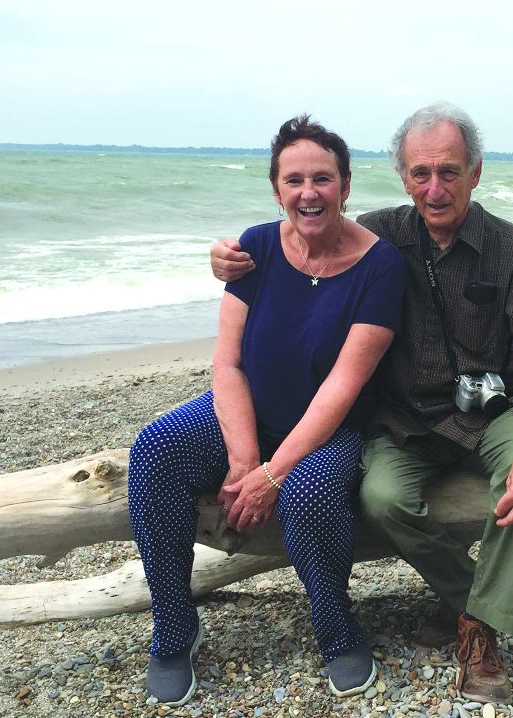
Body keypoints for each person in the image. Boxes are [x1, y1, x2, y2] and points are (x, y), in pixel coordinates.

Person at [211, 102, 513, 703]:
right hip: (405, 419)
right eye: (420, 173)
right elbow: (304, 229)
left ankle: (477, 631)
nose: (434, 188)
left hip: (494, 408)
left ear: (476, 173)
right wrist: (229, 259)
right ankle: (475, 597)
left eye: (449, 172)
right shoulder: (380, 237)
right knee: (382, 498)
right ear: (403, 177)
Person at [128, 115, 406, 706]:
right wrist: (244, 458)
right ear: (277, 189)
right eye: (295, 180)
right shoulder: (253, 249)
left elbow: (343, 386)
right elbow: (227, 365)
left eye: (323, 179)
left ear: (347, 185)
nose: (310, 193)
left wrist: (271, 475)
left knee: (306, 496)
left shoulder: (382, 268)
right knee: (154, 451)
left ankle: (335, 627)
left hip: (329, 429)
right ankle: (175, 629)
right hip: (246, 414)